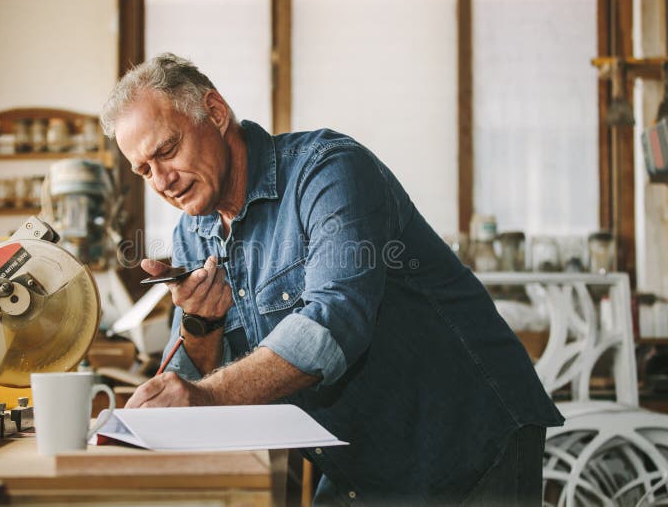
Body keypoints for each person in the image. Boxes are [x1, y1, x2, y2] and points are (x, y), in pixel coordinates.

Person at [101, 53, 563, 505]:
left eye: (167, 150)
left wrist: (204, 397)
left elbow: (335, 322)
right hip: (360, 459)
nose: (161, 180)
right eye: (144, 170)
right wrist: (201, 325)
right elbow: (195, 378)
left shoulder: (329, 171)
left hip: (465, 435)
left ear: (216, 113)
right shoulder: (193, 232)